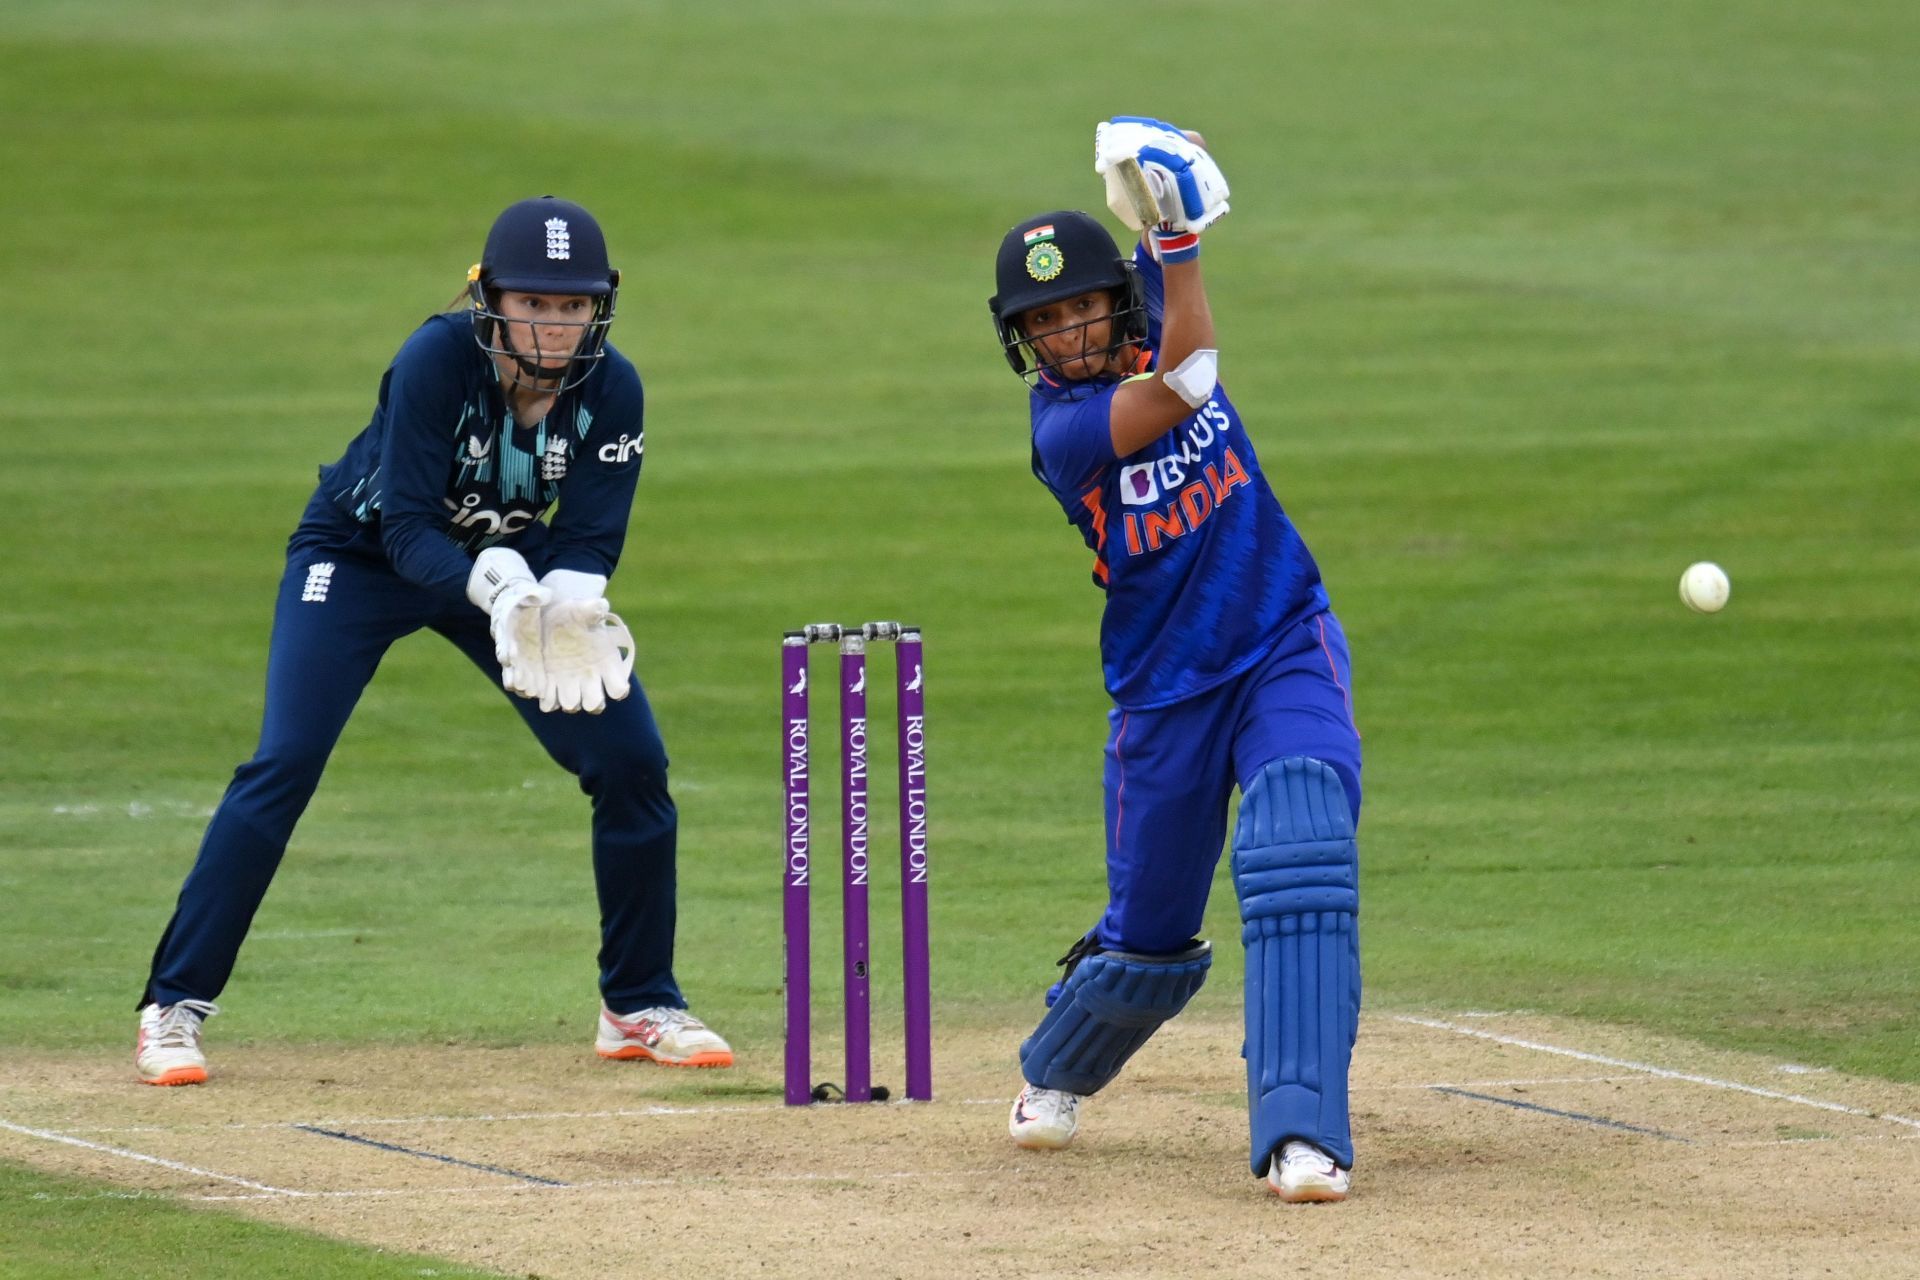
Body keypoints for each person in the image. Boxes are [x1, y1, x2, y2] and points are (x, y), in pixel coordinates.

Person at [134, 197, 732, 1086]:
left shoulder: (615, 388)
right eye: (534, 303)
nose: (555, 325)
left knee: (633, 763)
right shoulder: (434, 360)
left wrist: (565, 600)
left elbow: (591, 534)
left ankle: (637, 1002)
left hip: (517, 576)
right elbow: (409, 524)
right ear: (487, 296)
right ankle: (172, 1006)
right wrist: (495, 587)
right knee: (284, 764)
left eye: (573, 307)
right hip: (364, 556)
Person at [987, 120, 1363, 1202]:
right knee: (1148, 940)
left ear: (1116, 299)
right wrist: (1180, 236)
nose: (1068, 331)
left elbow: (1178, 171)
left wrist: (1156, 179)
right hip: (1165, 690)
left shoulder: (1152, 303)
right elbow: (1193, 379)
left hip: (1283, 635)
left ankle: (1304, 1132)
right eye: (1043, 322)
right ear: (1026, 342)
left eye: (1082, 306)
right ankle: (1055, 1069)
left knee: (1301, 843)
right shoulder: (1064, 429)